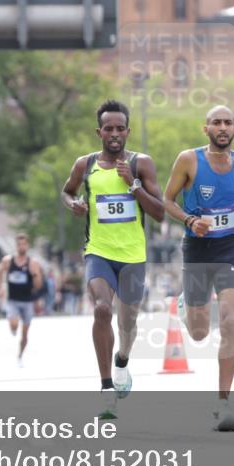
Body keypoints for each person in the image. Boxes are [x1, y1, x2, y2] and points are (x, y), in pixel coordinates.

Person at [60, 99, 165, 418]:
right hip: (99, 253)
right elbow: (67, 191)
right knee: (103, 310)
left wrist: (132, 186)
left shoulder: (140, 164)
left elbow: (160, 213)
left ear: (128, 131)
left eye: (120, 128)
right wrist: (74, 204)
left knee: (128, 322)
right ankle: (106, 387)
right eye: (109, 129)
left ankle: (122, 360)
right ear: (99, 132)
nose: (115, 133)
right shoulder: (85, 164)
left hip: (133, 255)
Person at [163, 105, 234, 432]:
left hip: (228, 248)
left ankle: (223, 402)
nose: (222, 127)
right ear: (205, 128)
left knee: (231, 320)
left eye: (228, 122)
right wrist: (191, 219)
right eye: (216, 122)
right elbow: (167, 200)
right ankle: (185, 305)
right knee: (198, 332)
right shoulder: (189, 160)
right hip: (197, 247)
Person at [0, 233, 44, 367]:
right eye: (19, 244)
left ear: (27, 246)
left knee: (25, 334)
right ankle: (13, 328)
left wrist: (35, 276)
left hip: (27, 301)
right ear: (16, 246)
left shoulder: (32, 263)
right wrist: (1, 286)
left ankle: (20, 355)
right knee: (14, 324)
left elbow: (39, 284)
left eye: (24, 244)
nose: (21, 246)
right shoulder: (8, 261)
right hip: (13, 300)